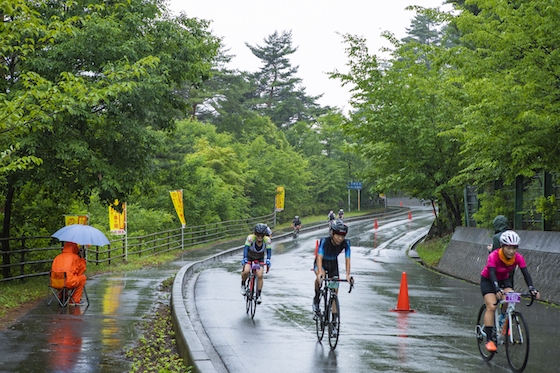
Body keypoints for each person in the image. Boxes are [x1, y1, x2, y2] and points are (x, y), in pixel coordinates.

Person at [479, 230, 539, 352]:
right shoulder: (494, 256)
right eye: (509, 248)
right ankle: (489, 339)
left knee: (512, 297)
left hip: (504, 280)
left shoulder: (518, 258)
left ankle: (503, 319)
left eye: (515, 248)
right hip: (489, 281)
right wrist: (496, 288)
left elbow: (525, 274)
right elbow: (491, 273)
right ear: (502, 246)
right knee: (492, 306)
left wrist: (532, 288)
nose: (512, 251)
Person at [312, 219, 351, 333]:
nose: (340, 238)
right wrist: (319, 272)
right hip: (321, 264)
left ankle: (334, 323)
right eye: (338, 235)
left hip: (333, 265)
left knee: (334, 292)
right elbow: (319, 257)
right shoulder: (324, 241)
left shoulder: (346, 243)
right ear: (332, 233)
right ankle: (316, 299)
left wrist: (348, 275)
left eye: (343, 236)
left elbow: (347, 259)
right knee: (321, 276)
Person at [240, 223, 272, 304]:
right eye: (258, 234)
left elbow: (269, 251)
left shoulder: (267, 240)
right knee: (246, 271)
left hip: (260, 258)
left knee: (260, 275)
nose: (259, 237)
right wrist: (245, 258)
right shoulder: (250, 238)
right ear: (255, 233)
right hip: (249, 257)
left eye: (261, 235)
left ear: (264, 235)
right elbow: (246, 248)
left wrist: (268, 259)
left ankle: (258, 295)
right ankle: (243, 284)